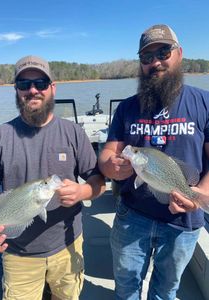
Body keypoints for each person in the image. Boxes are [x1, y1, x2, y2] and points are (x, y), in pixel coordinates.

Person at [98, 24, 209, 300]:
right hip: (132, 216)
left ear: (179, 54)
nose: (155, 62)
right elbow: (107, 154)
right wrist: (111, 165)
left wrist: (201, 194)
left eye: (163, 52)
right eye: (146, 58)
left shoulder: (204, 102)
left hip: (183, 222)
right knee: (126, 287)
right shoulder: (127, 108)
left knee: (166, 290)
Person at [0, 55, 105, 300]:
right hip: (18, 254)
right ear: (16, 90)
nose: (33, 90)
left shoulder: (73, 132)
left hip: (67, 246)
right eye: (24, 85)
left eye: (40, 83)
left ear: (52, 88)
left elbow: (99, 183)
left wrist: (82, 192)